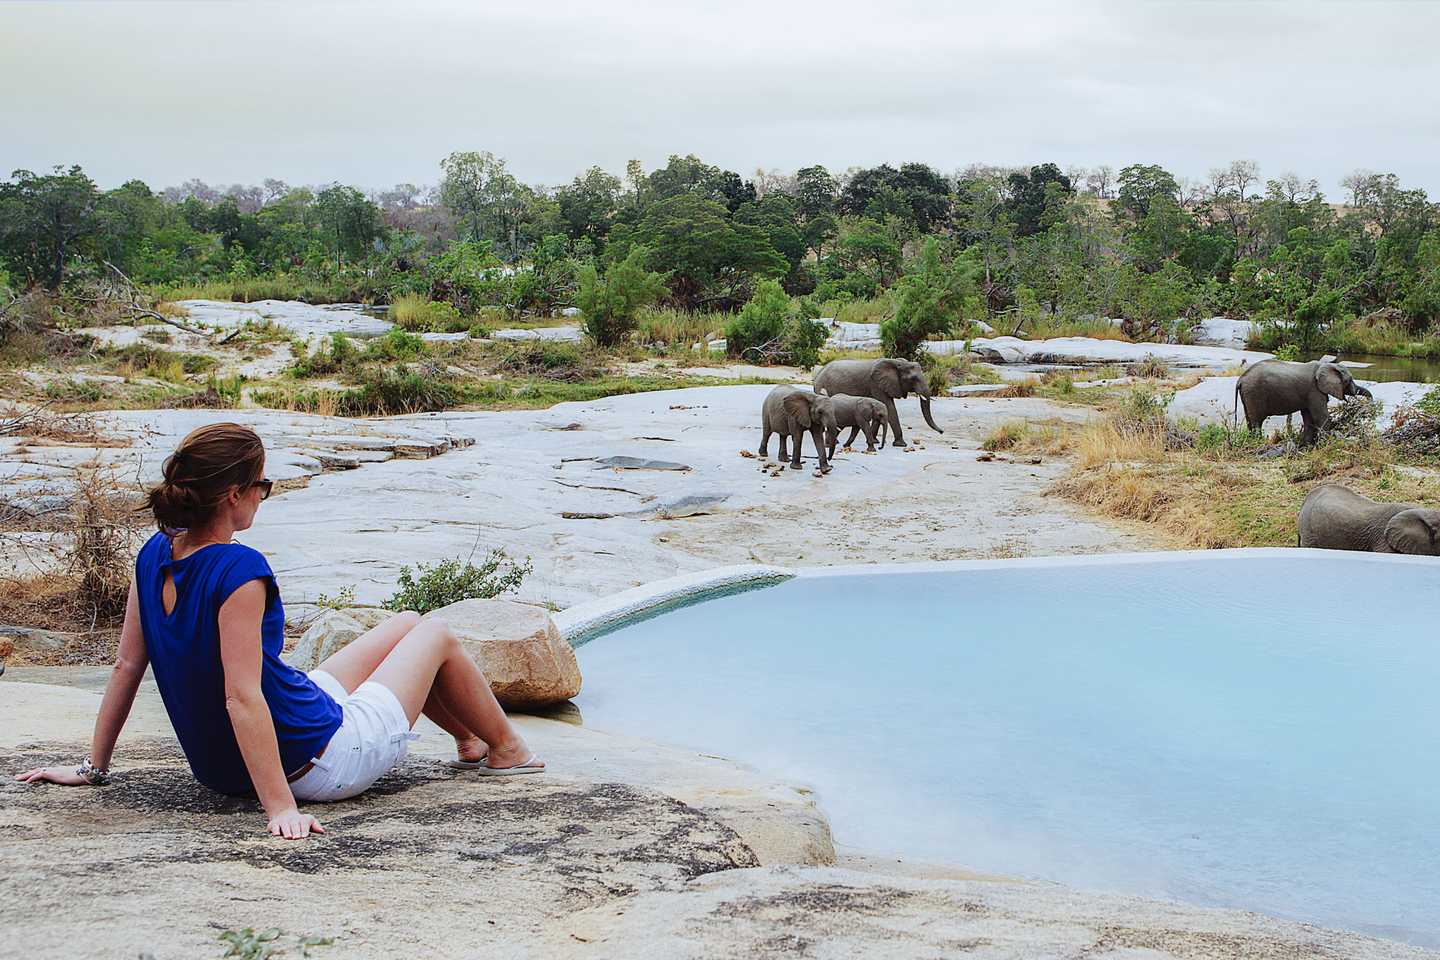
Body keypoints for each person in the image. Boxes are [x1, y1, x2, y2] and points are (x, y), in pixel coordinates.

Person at [15, 422, 543, 839]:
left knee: (405, 623)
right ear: (233, 495)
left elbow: (127, 664)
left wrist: (94, 768)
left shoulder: (154, 553)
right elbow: (242, 698)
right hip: (319, 761)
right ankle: (508, 750)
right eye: (263, 485)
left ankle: (469, 740)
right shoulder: (239, 572)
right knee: (436, 633)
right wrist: (281, 809)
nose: (264, 496)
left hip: (230, 765)